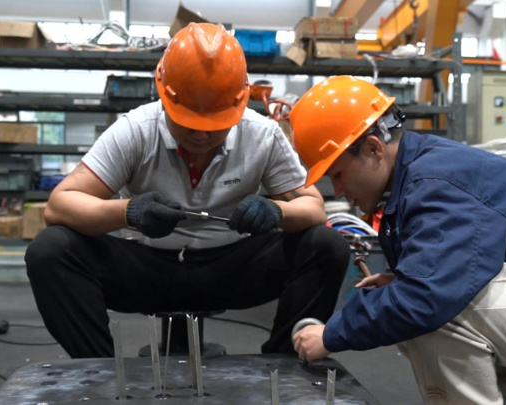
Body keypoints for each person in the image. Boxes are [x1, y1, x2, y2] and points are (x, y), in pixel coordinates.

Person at [290, 76, 506, 404]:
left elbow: (429, 297)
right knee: (422, 304)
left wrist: (331, 334)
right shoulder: (423, 170)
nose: (338, 190)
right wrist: (404, 283)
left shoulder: (434, 182)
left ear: (373, 148)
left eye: (338, 174)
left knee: (435, 312)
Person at [25, 23, 349, 359]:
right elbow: (60, 206)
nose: (201, 136)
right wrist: (128, 212)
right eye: (189, 122)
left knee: (326, 246)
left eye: (215, 124)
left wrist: (276, 212)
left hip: (232, 271)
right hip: (146, 270)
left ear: (238, 105)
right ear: (165, 97)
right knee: (50, 250)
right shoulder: (136, 130)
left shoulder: (262, 135)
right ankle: (99, 371)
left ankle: (282, 368)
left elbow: (314, 209)